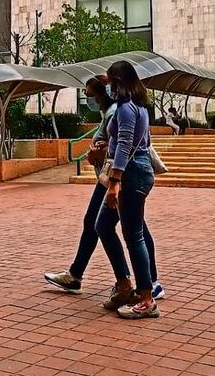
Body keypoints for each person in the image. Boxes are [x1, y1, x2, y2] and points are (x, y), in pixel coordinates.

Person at [44, 77, 163, 300]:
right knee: (104, 224)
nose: (90, 99)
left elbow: (126, 144)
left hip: (120, 176)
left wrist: (105, 160)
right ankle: (79, 274)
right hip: (114, 177)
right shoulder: (112, 111)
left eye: (93, 95)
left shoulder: (119, 111)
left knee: (121, 228)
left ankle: (141, 283)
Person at [95, 60, 160, 319]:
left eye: (111, 81)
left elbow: (124, 145)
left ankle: (147, 299)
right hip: (137, 169)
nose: (108, 86)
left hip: (130, 174)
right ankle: (125, 285)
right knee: (103, 225)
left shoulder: (125, 109)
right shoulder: (141, 107)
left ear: (119, 82)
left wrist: (114, 183)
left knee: (133, 236)